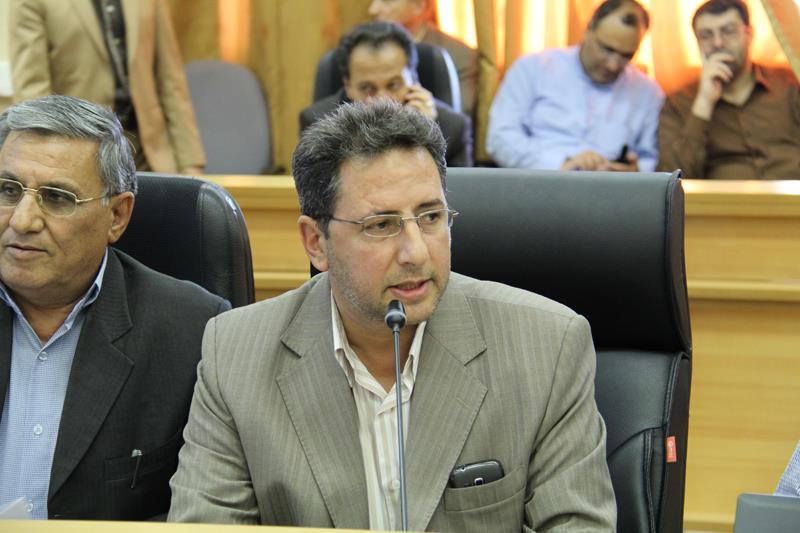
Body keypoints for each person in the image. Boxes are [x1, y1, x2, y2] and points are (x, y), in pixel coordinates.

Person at [168, 100, 616, 531]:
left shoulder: (548, 346)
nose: (416, 252)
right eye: (381, 225)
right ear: (316, 243)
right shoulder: (235, 356)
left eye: (431, 217)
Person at [0, 95, 229, 520]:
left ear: (117, 216)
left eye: (57, 197)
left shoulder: (194, 332)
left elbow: (207, 512)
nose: (22, 220)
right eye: (8, 191)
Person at [9, 0, 205, 174]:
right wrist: (45, 164)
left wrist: (190, 162)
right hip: (77, 155)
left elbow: (170, 78)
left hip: (149, 156)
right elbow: (33, 93)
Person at [487, 0, 662, 172]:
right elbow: (500, 138)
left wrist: (635, 172)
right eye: (607, 50)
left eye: (626, 56)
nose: (613, 65)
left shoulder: (648, 93)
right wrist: (560, 165)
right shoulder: (532, 69)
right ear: (588, 29)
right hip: (539, 181)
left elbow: (650, 160)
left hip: (612, 187)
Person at [657, 0, 800, 179]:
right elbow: (671, 182)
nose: (718, 43)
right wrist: (703, 105)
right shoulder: (678, 104)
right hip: (724, 197)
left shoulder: (789, 85)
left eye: (728, 31)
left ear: (749, 34)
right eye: (706, 35)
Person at [300, 21, 473, 167]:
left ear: (413, 79)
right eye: (367, 88)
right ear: (348, 86)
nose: (383, 100)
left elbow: (456, 195)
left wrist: (425, 138)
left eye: (393, 85)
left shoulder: (452, 128)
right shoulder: (317, 125)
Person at [368, 0, 479, 119]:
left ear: (418, 6)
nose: (372, 10)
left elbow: (458, 121)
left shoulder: (459, 55)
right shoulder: (363, 51)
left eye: (386, 1)